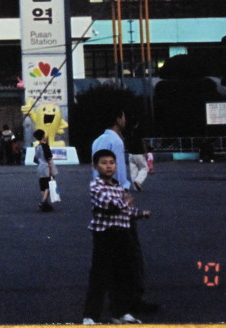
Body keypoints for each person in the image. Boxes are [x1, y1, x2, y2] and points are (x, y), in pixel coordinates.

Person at [89, 105, 158, 316]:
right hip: (118, 201)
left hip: (101, 201)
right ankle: (131, 301)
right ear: (119, 118)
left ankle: (114, 302)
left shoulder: (97, 141)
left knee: (109, 258)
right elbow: (117, 174)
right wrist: (124, 201)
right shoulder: (116, 141)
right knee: (130, 255)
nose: (125, 120)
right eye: (124, 116)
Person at [82, 149, 151, 324]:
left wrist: (140, 213)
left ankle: (120, 312)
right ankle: (90, 316)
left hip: (121, 235)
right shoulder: (96, 186)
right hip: (105, 236)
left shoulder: (118, 186)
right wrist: (125, 203)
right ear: (95, 166)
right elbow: (109, 205)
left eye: (112, 163)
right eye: (104, 163)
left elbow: (125, 211)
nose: (108, 166)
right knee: (100, 275)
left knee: (122, 275)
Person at [33, 129, 57, 211]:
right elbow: (49, 159)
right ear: (43, 136)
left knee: (42, 186)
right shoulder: (45, 146)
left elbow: (35, 159)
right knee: (49, 185)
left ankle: (45, 203)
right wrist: (51, 170)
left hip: (40, 168)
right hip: (46, 167)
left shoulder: (37, 147)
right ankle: (43, 201)